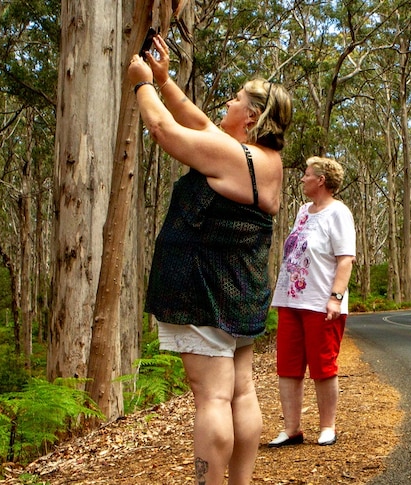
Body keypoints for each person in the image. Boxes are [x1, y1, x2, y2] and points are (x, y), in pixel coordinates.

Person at [127, 34, 292, 485]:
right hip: (237, 293)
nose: (229, 101)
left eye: (237, 98)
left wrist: (141, 85)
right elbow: (201, 124)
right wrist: (165, 81)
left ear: (252, 116)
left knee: (213, 399)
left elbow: (165, 131)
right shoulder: (265, 159)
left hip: (204, 293)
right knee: (240, 393)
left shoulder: (237, 156)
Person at [268, 156, 356, 447]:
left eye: (307, 175)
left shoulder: (339, 213)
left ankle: (327, 426)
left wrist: (335, 298)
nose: (302, 179)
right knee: (288, 366)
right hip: (291, 300)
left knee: (323, 365)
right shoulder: (304, 211)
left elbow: (346, 259)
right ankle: (292, 429)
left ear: (321, 180)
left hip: (321, 303)